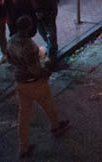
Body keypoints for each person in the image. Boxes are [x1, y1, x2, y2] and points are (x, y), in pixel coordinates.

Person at [6, 16, 70, 158]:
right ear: (29, 28)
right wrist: (46, 71)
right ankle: (56, 127)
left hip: (20, 82)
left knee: (23, 115)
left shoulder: (10, 41)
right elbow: (35, 69)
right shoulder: (29, 45)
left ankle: (23, 147)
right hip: (34, 82)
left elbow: (10, 60)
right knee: (48, 104)